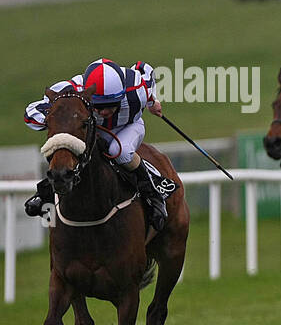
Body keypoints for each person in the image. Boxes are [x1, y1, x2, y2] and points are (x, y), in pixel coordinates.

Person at [24, 58, 172, 230]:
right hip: (92, 128)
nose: (104, 112)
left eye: (111, 105)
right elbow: (30, 112)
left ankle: (153, 195)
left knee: (120, 151)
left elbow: (144, 68)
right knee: (74, 148)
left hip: (128, 126)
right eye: (98, 106)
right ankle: (46, 192)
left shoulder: (137, 89)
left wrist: (152, 101)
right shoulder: (71, 90)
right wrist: (57, 118)